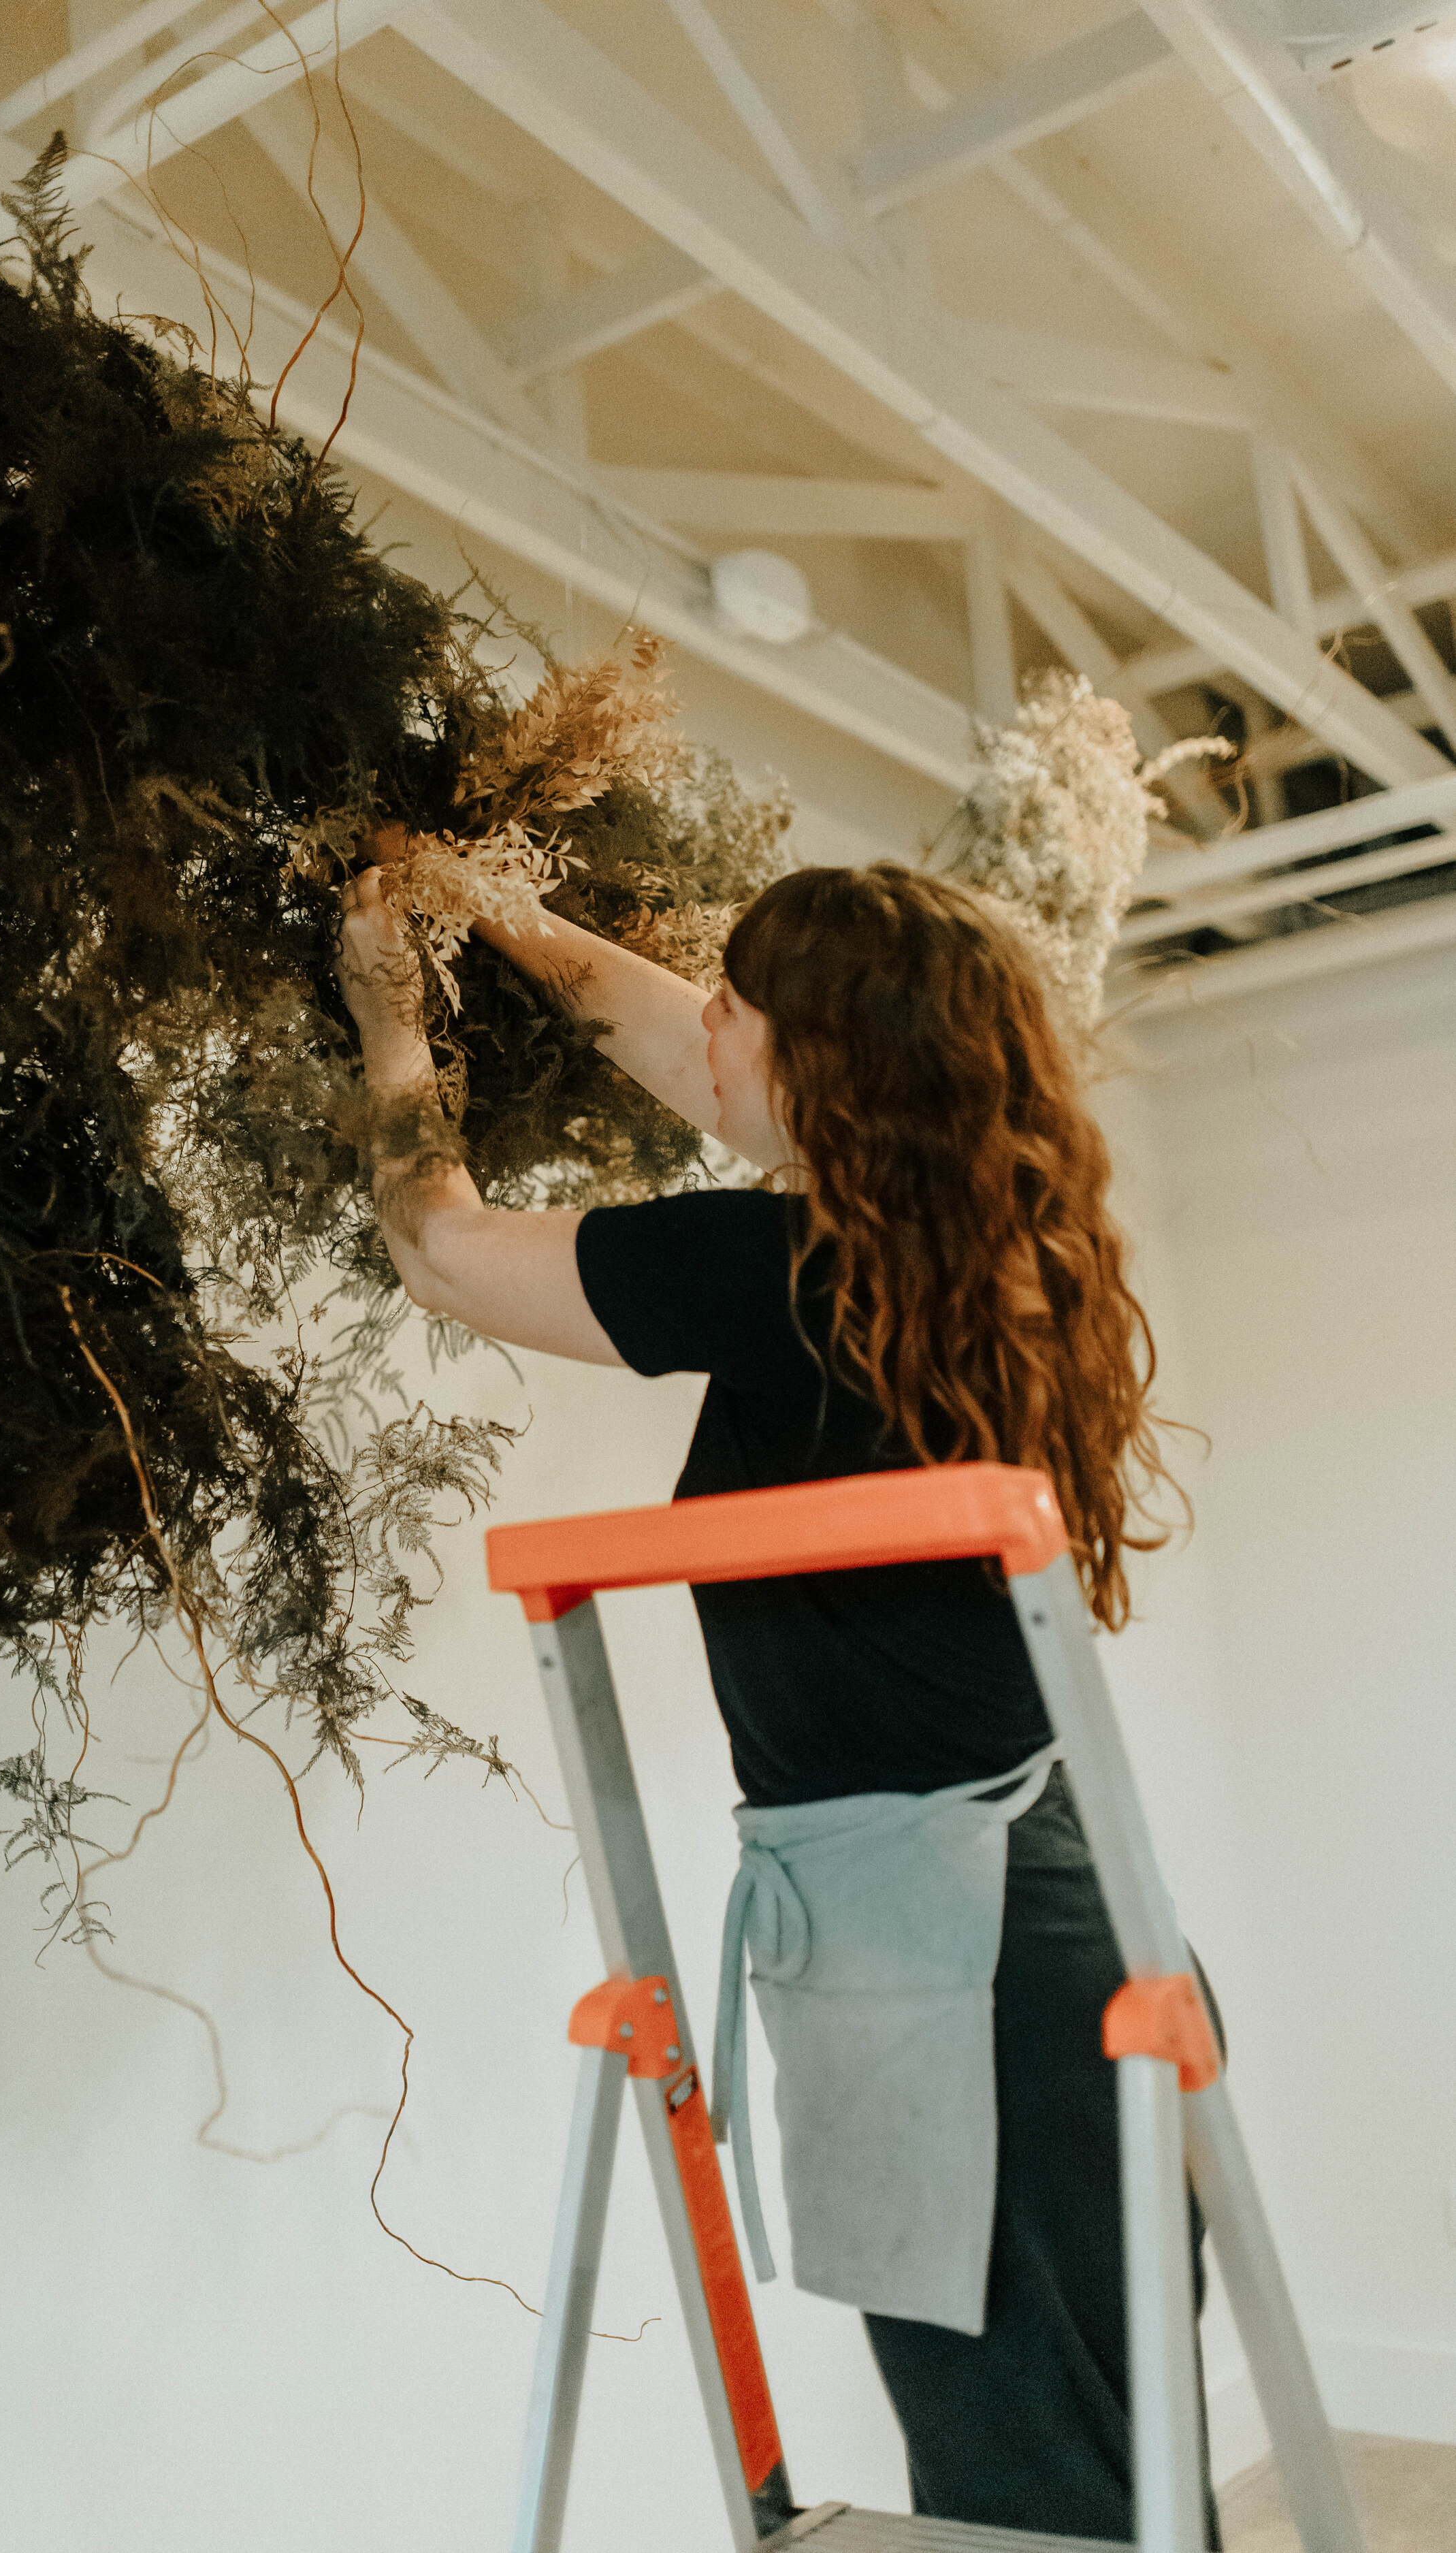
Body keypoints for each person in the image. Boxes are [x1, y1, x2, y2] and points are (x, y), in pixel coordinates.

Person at [335, 852, 1220, 2544]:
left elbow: (443, 1255)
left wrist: (392, 1033)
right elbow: (685, 1043)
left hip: (943, 1963)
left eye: (738, 1003)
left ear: (822, 1068)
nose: (705, 1026)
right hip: (1051, 1919)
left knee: (1028, 2497)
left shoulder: (785, 1271)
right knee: (1120, 2469)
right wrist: (492, 914)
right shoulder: (967, 1244)